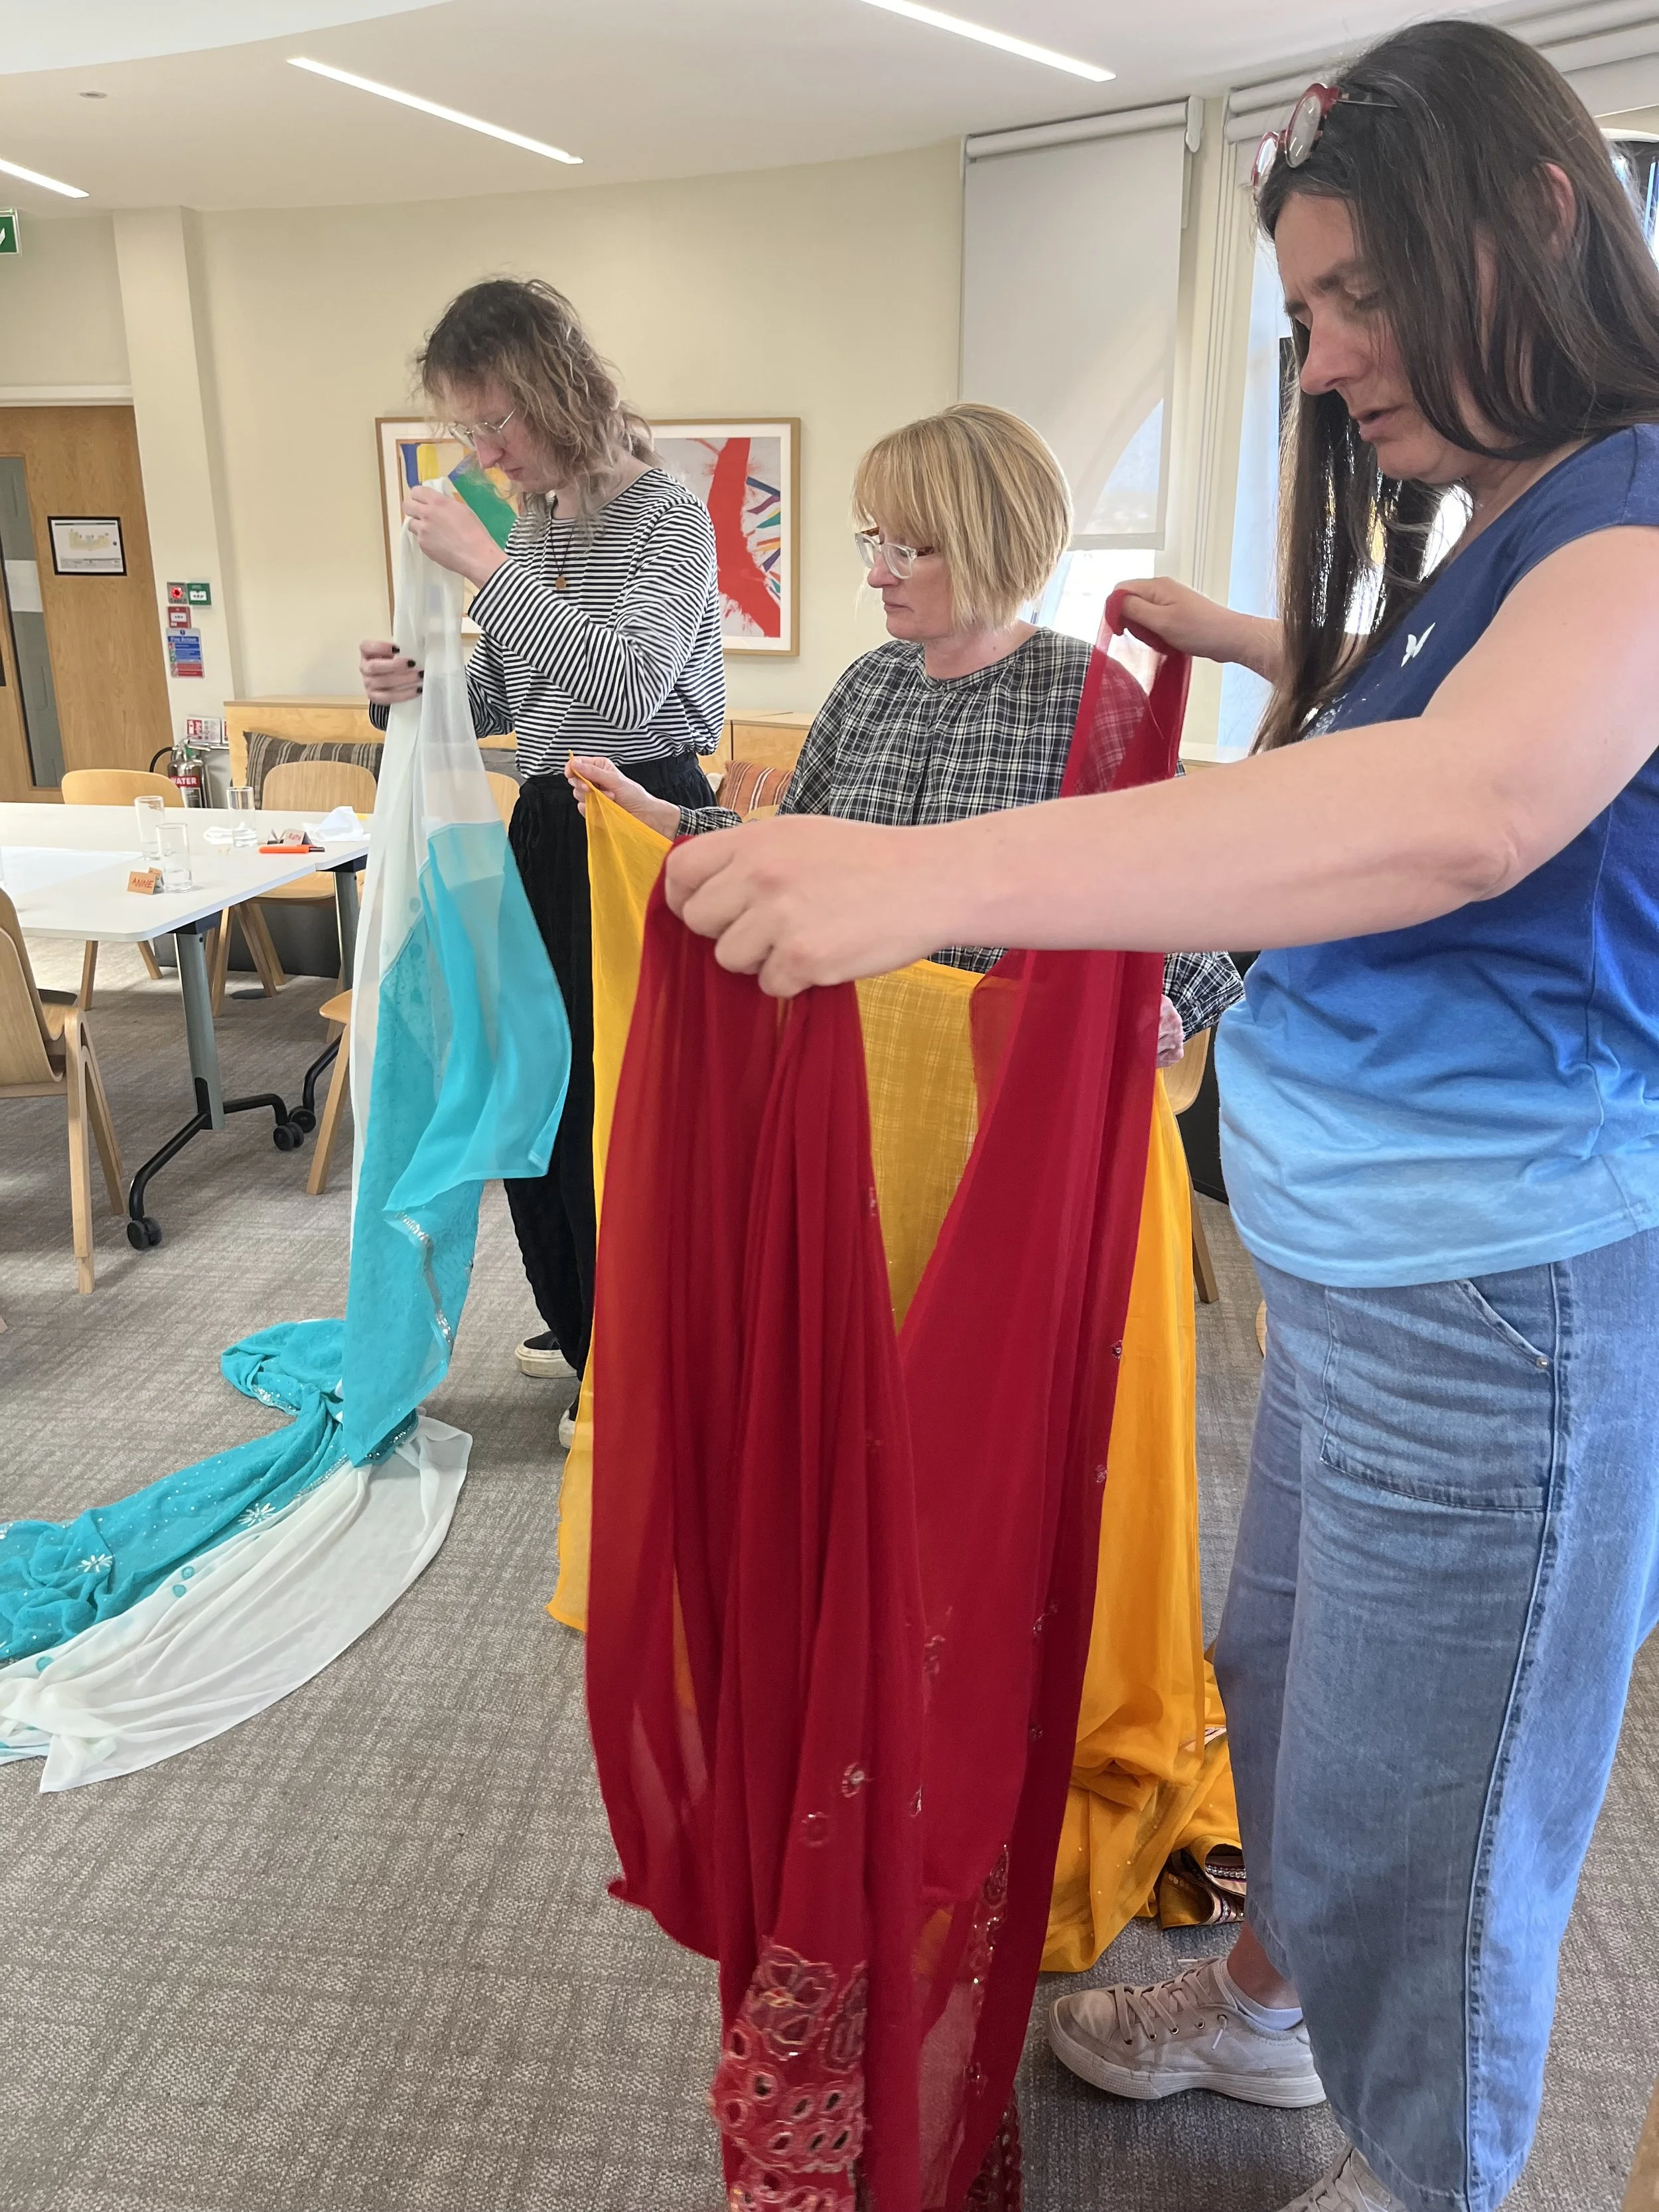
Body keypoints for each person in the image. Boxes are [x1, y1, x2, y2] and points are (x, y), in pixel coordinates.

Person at [654, 21, 1659, 2212]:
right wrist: (1242, 653)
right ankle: (1276, 2002)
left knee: (1445, 1819)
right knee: (1296, 1706)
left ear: (1542, 221)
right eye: (1306, 315)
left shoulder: (1650, 507)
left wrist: (926, 876)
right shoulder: (1521, 519)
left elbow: (1468, 807)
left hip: (1499, 1316)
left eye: (1357, 299)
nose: (1322, 364)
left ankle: (1430, 2172)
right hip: (1372, 1290)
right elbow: (1408, 736)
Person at [568, 399, 1240, 1052]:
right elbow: (795, 849)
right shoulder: (868, 685)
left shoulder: (1095, 700)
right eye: (874, 542)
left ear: (989, 547)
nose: (876, 574)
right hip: (857, 1066)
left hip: (1009, 1075)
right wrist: (657, 814)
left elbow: (1182, 895)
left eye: (904, 552)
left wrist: (1164, 1004)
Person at [360, 278, 724, 1444]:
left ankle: (629, 1347)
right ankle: (585, 1320)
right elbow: (521, 693)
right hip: (554, 825)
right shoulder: (545, 519)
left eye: (496, 421)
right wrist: (419, 694)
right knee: (541, 1089)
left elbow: (626, 687)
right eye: (468, 427)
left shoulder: (665, 514)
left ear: (559, 389)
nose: (485, 449)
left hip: (645, 823)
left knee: (623, 1107)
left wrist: (487, 568)